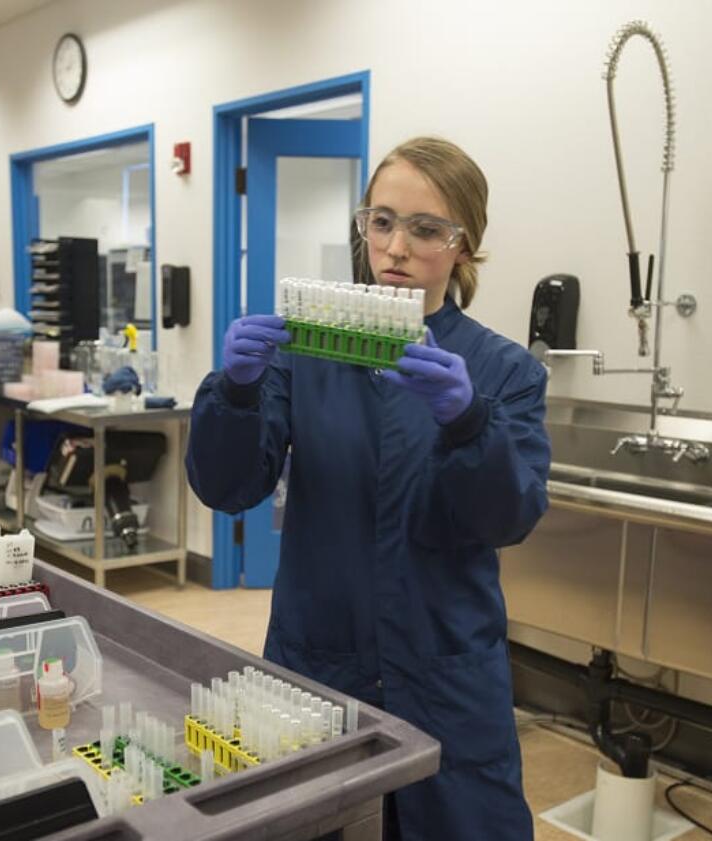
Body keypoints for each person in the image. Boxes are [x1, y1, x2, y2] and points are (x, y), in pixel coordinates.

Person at [186, 137, 550, 840]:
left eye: (424, 228)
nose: (396, 247)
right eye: (380, 221)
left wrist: (469, 422)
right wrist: (234, 393)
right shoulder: (307, 353)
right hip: (318, 658)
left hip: (444, 671)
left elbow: (511, 516)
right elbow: (231, 489)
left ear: (463, 246)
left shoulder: (503, 372)